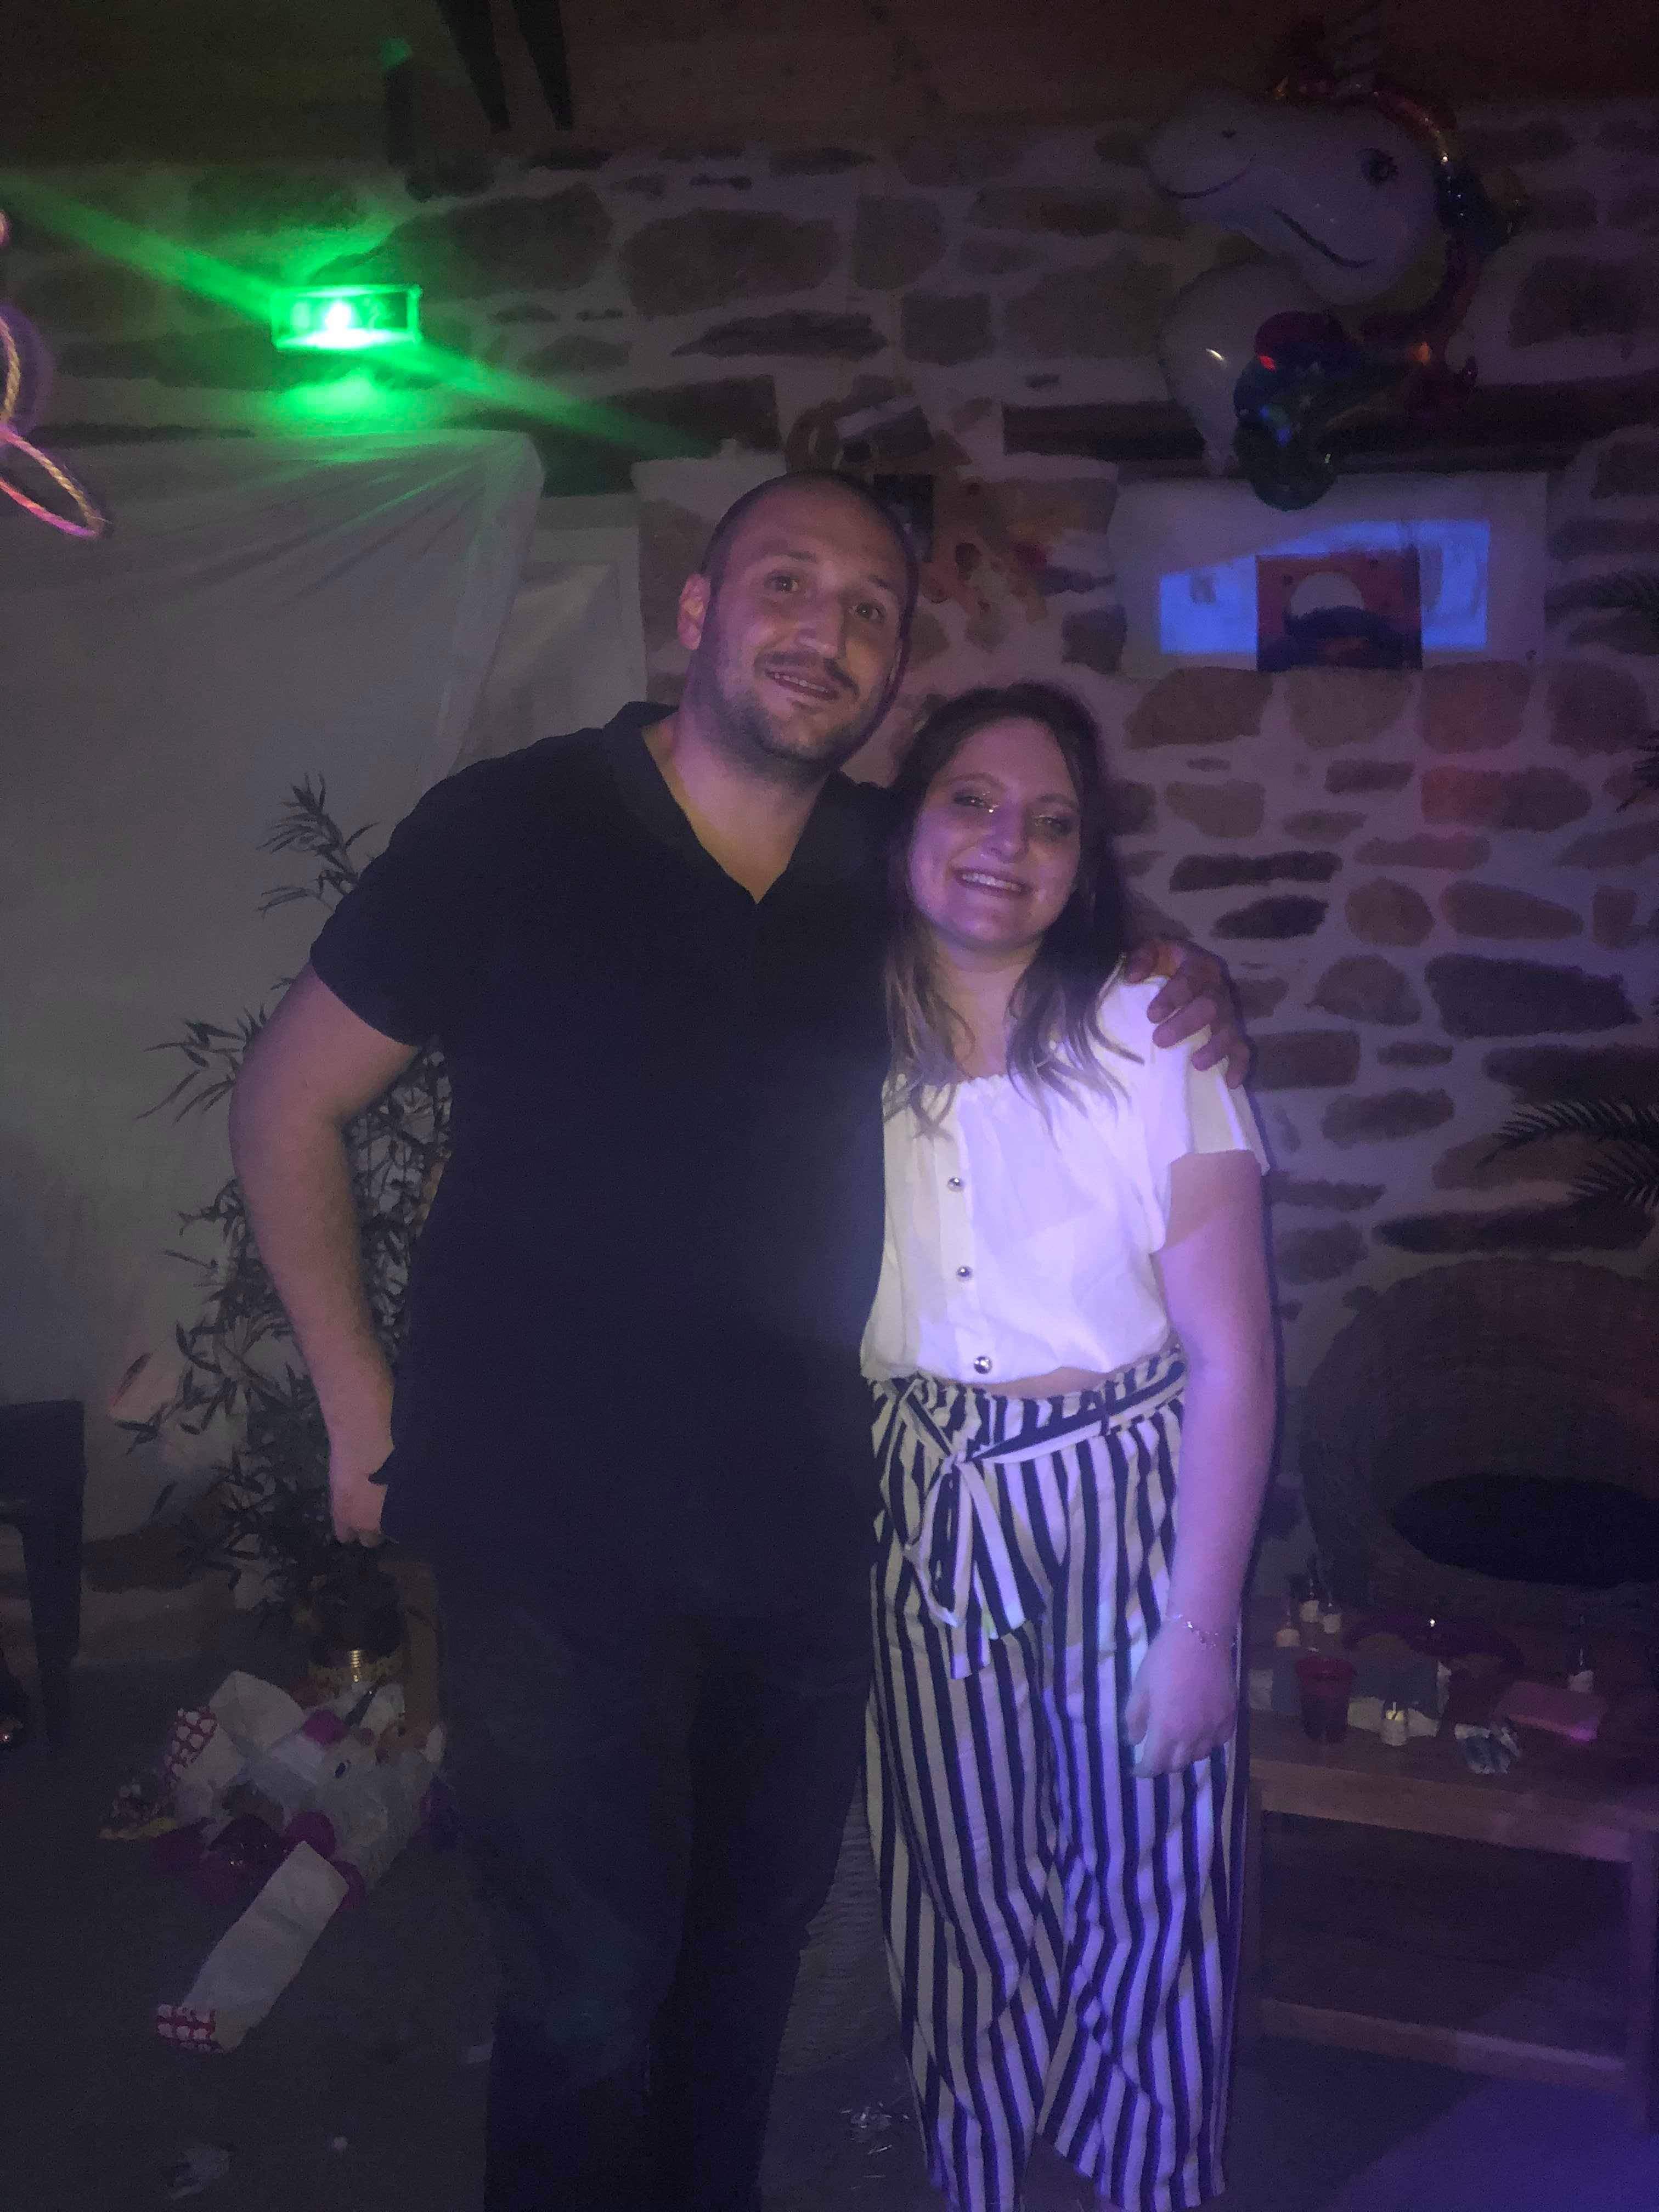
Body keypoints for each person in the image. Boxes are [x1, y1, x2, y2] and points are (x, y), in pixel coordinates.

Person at [227, 471, 1247, 2212]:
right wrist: (352, 1400)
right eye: (788, 584)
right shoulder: (512, 829)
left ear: (893, 665)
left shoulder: (886, 868)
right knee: (587, 1987)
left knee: (743, 1976)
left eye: (870, 611)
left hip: (805, 1535)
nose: (824, 631)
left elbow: (1039, 923)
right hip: (545, 1528)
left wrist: (1171, 958)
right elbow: (285, 1103)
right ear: (698, 613)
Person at [862, 684, 1274, 2212]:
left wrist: (1203, 1626)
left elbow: (1234, 1356)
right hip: (927, 1493)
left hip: (1130, 1492)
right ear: (905, 818)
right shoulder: (822, 1033)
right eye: (970, 800)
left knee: (1153, 1866)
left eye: (1050, 821)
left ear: (1086, 860)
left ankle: (1146, 2175)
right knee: (956, 1874)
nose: (1005, 843)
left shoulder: (1157, 1036)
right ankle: (978, 2171)